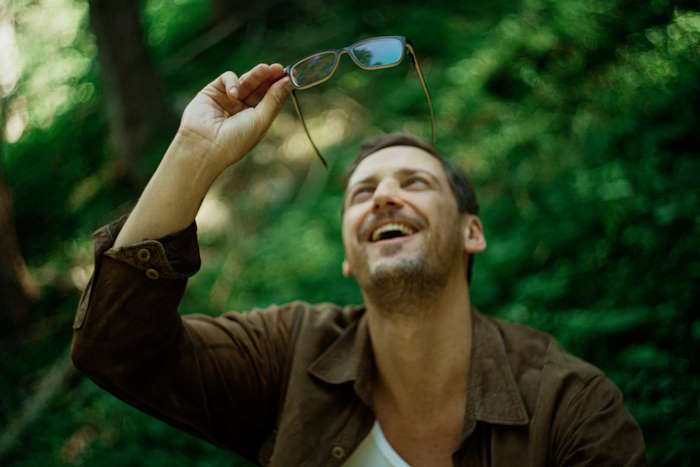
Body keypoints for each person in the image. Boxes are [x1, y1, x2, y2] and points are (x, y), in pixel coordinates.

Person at [71, 63, 647, 466]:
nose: (384, 198)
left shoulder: (570, 408)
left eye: (414, 182)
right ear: (350, 257)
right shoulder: (290, 352)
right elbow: (117, 347)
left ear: (473, 231)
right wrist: (195, 152)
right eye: (362, 192)